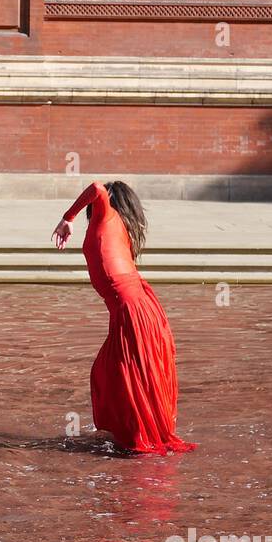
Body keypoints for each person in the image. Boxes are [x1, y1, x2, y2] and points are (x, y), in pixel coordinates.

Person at [53, 180, 195, 455]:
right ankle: (130, 434)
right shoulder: (118, 228)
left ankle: (136, 439)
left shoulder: (107, 215)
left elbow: (96, 187)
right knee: (108, 372)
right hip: (135, 309)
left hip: (132, 311)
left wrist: (66, 218)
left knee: (125, 376)